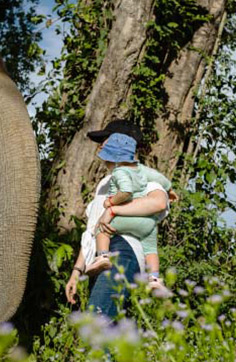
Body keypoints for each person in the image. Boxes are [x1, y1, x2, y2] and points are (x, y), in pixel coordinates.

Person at [64, 120, 177, 318]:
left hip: (124, 250)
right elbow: (92, 231)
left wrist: (114, 210)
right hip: (101, 257)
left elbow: (158, 203)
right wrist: (77, 270)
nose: (100, 146)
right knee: (108, 327)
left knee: (97, 322)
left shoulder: (141, 175)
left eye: (105, 141)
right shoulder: (104, 184)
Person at [85, 133, 172, 281]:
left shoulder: (119, 172)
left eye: (107, 161)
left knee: (100, 229)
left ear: (114, 160)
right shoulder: (142, 170)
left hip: (124, 220)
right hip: (147, 224)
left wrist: (111, 203)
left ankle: (103, 257)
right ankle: (154, 279)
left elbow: (126, 191)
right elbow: (161, 179)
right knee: (150, 250)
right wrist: (169, 189)